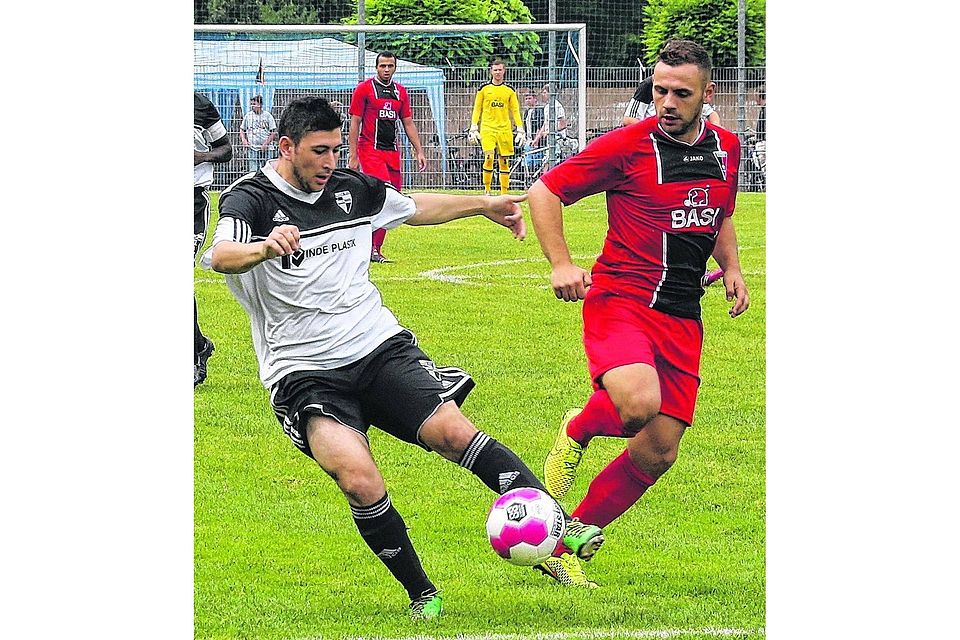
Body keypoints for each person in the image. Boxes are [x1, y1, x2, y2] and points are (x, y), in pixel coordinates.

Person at [206, 96, 604, 619]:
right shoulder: (250, 200)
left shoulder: (353, 189)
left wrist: (483, 204)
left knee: (455, 433)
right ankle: (423, 594)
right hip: (303, 373)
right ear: (286, 147)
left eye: (336, 149)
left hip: (376, 346)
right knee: (359, 479)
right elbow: (220, 255)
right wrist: (263, 247)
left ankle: (559, 530)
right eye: (319, 151)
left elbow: (414, 209)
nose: (330, 162)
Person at [527, 40, 750, 588]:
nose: (667, 102)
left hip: (682, 315)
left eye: (681, 93)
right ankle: (577, 429)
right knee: (636, 405)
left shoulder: (728, 148)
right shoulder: (628, 145)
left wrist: (735, 267)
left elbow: (719, 212)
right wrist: (561, 262)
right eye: (659, 90)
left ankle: (564, 546)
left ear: (707, 95)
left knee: (657, 451)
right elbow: (545, 190)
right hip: (622, 300)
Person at [349, 51, 428, 263]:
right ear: (376, 67)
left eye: (390, 66)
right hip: (370, 150)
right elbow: (355, 122)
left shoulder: (400, 92)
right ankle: (366, 246)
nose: (386, 70)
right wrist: (353, 154)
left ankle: (376, 248)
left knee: (394, 201)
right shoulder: (364, 89)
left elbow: (408, 122)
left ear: (395, 67)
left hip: (392, 152)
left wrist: (419, 150)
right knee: (383, 196)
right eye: (382, 66)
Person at [193, 92, 233, 387]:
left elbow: (226, 149)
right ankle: (199, 346)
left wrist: (201, 156)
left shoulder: (200, 106)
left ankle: (192, 356)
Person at [468, 59, 526, 195]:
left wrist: (520, 128)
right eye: (495, 70)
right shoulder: (483, 89)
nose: (498, 72)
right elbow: (477, 109)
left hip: (504, 129)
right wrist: (473, 126)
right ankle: (487, 190)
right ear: (491, 71)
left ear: (504, 71)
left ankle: (504, 192)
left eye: (500, 70)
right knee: (488, 158)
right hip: (488, 128)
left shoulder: (509, 91)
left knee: (504, 161)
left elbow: (515, 110)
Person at [623, 75, 722, 127]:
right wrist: (655, 132)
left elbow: (711, 113)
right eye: (661, 91)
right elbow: (629, 120)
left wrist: (717, 130)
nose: (669, 104)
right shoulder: (648, 85)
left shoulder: (689, 84)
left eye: (682, 94)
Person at [239, 95, 278, 174]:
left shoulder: (267, 116)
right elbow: (242, 129)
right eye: (251, 104)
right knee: (253, 171)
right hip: (253, 147)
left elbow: (273, 131)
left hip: (267, 148)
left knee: (267, 171)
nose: (252, 106)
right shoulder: (248, 116)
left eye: (254, 104)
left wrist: (266, 144)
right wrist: (244, 140)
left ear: (259, 105)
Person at [521, 90, 545, 176]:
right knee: (527, 162)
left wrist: (536, 140)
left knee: (536, 162)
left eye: (530, 98)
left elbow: (539, 126)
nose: (527, 100)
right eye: (526, 98)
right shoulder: (526, 112)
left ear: (535, 99)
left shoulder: (538, 110)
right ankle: (527, 180)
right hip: (528, 140)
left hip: (536, 142)